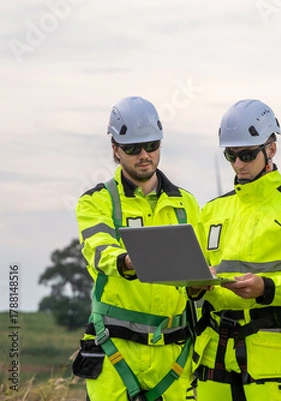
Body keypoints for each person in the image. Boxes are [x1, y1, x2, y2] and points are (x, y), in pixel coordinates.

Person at [191, 99, 281, 401]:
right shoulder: (212, 210)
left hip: (269, 356)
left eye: (247, 154)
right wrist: (194, 286)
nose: (238, 164)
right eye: (231, 155)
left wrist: (265, 288)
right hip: (212, 354)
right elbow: (196, 272)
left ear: (271, 148)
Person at [73, 96, 200, 401]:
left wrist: (202, 285)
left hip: (175, 356)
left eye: (151, 145)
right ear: (115, 149)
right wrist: (128, 261)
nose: (144, 155)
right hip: (117, 353)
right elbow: (99, 249)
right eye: (132, 148)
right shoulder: (96, 202)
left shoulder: (188, 204)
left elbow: (204, 267)